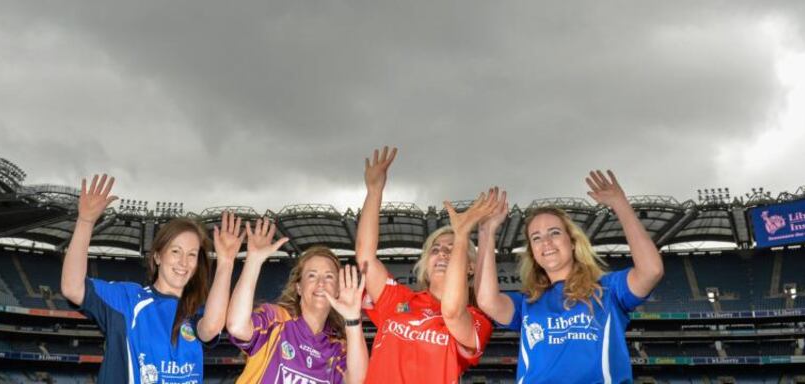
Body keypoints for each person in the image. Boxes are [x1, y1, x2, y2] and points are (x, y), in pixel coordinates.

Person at [475, 170, 665, 384]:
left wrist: (620, 204)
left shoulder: (608, 290)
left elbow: (651, 270)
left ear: (573, 242)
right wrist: (487, 233)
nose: (545, 241)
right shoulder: (528, 303)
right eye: (536, 238)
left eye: (554, 232)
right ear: (533, 253)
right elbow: (487, 300)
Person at [60, 174, 243, 384]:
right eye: (176, 251)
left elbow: (211, 328)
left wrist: (227, 261)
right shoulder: (127, 300)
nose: (184, 262)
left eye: (192, 254)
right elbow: (72, 288)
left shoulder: (196, 311)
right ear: (157, 256)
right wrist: (85, 221)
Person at [355, 147, 494, 383]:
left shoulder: (477, 320)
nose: (442, 253)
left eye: (451, 250)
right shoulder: (400, 300)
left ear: (469, 267)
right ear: (425, 263)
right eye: (435, 249)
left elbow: (451, 312)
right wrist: (374, 191)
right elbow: (365, 258)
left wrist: (462, 236)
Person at [226, 218, 368, 384]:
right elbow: (236, 326)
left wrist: (352, 319)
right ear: (299, 287)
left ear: (338, 290)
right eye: (312, 275)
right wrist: (254, 260)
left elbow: (358, 379)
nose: (321, 283)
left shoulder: (336, 347)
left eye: (329, 277)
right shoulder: (276, 320)